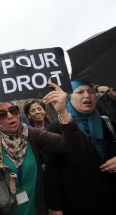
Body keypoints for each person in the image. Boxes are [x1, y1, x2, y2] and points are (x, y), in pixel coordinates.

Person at [0, 82, 84, 215]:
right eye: (1, 114)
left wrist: (62, 111)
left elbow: (72, 146)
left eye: (13, 110)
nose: (10, 116)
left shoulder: (30, 133)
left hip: (34, 208)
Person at [45, 80, 116, 215]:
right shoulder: (57, 128)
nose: (87, 96)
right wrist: (55, 207)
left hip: (110, 200)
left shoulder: (108, 123)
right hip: (76, 203)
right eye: (80, 92)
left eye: (91, 92)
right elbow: (51, 171)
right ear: (69, 96)